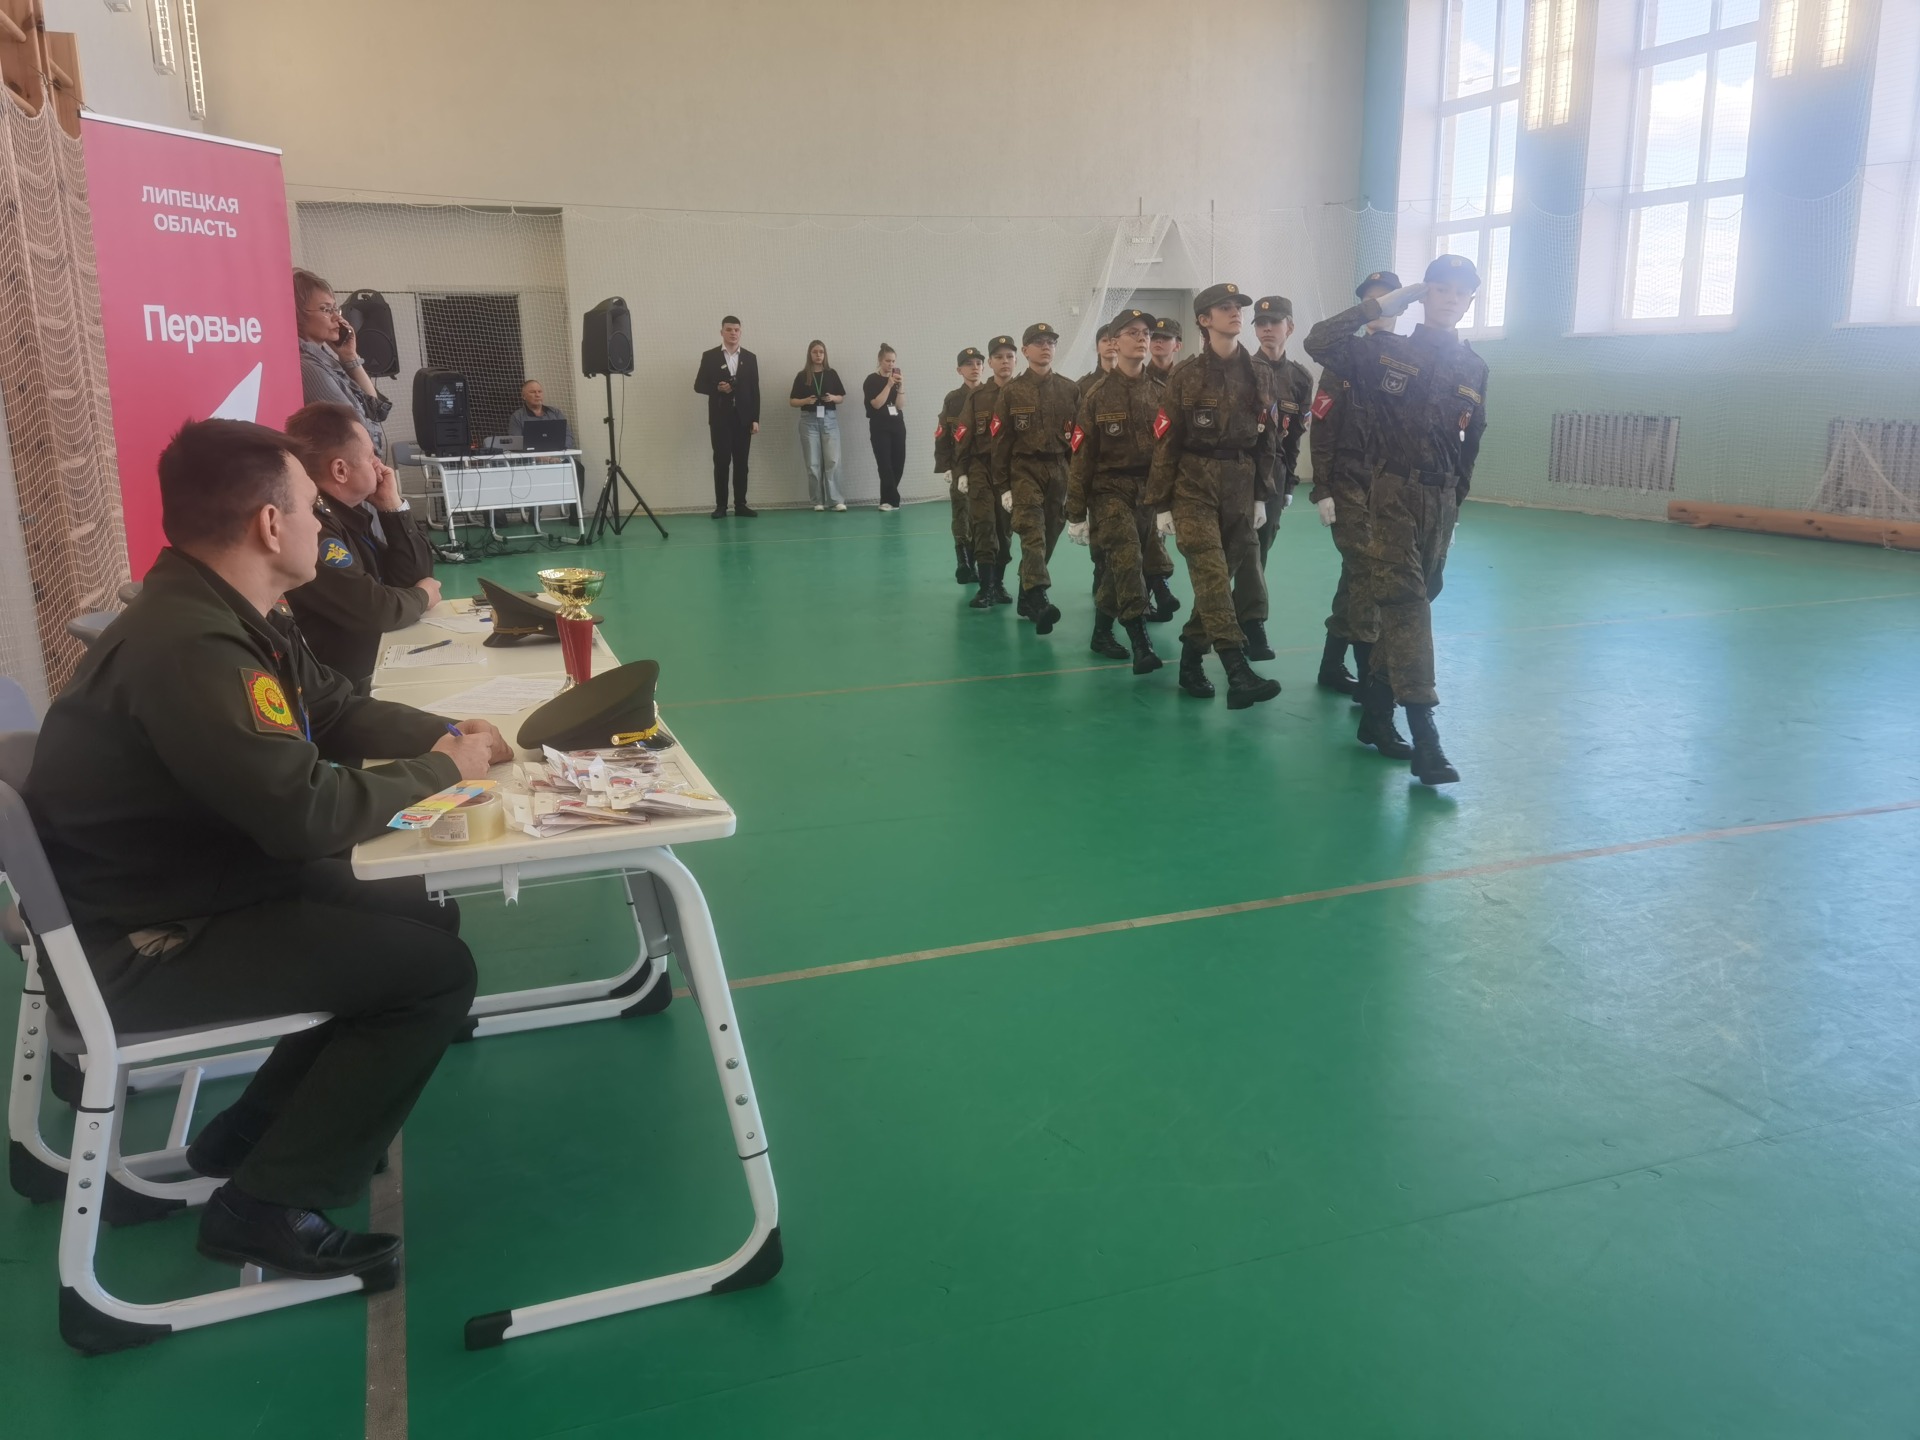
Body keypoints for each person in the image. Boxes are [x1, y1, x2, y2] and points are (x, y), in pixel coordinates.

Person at [23, 418, 510, 1280]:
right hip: (146, 944)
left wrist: (447, 734)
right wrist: (443, 771)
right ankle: (264, 1207)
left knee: (420, 912)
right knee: (433, 975)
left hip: (189, 890)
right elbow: (306, 816)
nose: (323, 526)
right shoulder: (193, 647)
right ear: (270, 524)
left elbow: (333, 708)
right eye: (313, 508)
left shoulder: (222, 609)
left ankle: (244, 1139)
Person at [1304, 256, 1489, 785]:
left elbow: (1471, 441)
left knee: (1415, 601)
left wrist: (1456, 504)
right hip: (1388, 497)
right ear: (1424, 294)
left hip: (1441, 502)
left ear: (1470, 302)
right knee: (1407, 605)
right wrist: (1382, 305)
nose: (1450, 298)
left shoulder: (1474, 367)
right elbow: (1318, 341)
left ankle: (1376, 714)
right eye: (1440, 288)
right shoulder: (1385, 351)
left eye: (1460, 292)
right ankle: (1426, 736)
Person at [1146, 283, 1284, 710]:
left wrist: (1261, 496)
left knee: (1219, 580)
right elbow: (1166, 441)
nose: (1235, 312)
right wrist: (1161, 503)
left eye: (1237, 307)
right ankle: (1237, 670)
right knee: (1210, 572)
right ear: (1204, 320)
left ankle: (1190, 659)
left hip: (1240, 486)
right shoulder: (1185, 374)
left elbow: (1269, 439)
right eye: (1224, 308)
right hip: (1193, 485)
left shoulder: (1260, 372)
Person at [283, 402, 441, 691]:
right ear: (340, 470)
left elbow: (411, 577)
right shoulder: (316, 529)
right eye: (371, 456)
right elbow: (375, 609)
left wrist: (392, 508)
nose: (380, 465)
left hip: (371, 668)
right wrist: (423, 597)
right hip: (341, 688)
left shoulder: (346, 516)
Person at [1308, 270, 1401, 698]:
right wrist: (1322, 488)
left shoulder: (1410, 358)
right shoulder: (1344, 357)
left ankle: (1331, 666)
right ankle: (1369, 677)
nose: (1379, 306)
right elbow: (1322, 430)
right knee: (1368, 569)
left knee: (1355, 577)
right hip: (1347, 482)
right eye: (1372, 300)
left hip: (1390, 486)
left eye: (1387, 299)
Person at [1066, 308, 1163, 676]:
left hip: (1148, 492)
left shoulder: (1161, 393)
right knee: (1127, 556)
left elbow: (1169, 453)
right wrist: (1076, 513)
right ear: (1114, 342)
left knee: (1117, 568)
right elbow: (1082, 457)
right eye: (1132, 332)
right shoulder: (1095, 396)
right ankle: (1141, 642)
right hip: (1108, 490)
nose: (1142, 339)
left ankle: (1101, 633)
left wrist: (1169, 500)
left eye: (1146, 333)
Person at [989, 322, 1079, 634]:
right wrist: (1003, 486)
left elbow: (1078, 442)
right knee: (1032, 532)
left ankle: (1026, 595)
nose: (1045, 347)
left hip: (1059, 470)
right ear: (1025, 351)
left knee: (1050, 534)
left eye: (1050, 342)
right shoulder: (1011, 392)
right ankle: (1039, 598)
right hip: (1024, 469)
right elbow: (1000, 443)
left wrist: (1077, 482)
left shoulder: (1070, 390)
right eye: (1038, 342)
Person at [1248, 294, 1315, 572]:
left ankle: (1250, 602)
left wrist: (1289, 485)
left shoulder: (1300, 378)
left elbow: (1295, 435)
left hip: (1275, 475)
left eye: (1274, 322)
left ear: (1290, 327)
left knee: (1262, 548)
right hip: (1241, 470)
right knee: (1233, 550)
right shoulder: (1242, 371)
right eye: (1260, 322)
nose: (1266, 328)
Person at [294, 270, 391, 459]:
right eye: (325, 309)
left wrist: (349, 357)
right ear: (298, 314)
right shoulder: (306, 365)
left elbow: (376, 411)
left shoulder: (324, 358)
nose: (337, 318)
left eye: (335, 309)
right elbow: (357, 429)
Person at [956, 335, 1019, 609]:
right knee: (983, 524)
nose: (1005, 361)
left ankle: (998, 583)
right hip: (981, 467)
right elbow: (963, 434)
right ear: (990, 363)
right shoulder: (978, 396)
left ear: (1016, 360)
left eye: (1009, 356)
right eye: (999, 357)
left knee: (1005, 529)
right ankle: (985, 587)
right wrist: (961, 471)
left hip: (1012, 471)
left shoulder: (1023, 393)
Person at [1139, 315, 1185, 624]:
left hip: (1181, 470)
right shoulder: (1138, 377)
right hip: (1145, 470)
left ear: (1177, 345)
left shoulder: (1187, 378)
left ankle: (1154, 591)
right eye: (1154, 336)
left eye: (1165, 338)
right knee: (1147, 533)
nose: (1158, 341)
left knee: (1161, 534)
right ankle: (1152, 593)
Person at [693, 315, 761, 518]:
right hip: (720, 419)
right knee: (721, 462)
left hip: (743, 419)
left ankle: (740, 505)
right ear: (721, 332)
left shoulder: (750, 358)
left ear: (740, 332)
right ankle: (721, 506)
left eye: (736, 330)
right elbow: (698, 385)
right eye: (729, 329)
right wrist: (717, 388)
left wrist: (755, 419)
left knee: (742, 463)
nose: (733, 333)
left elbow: (755, 390)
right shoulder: (710, 356)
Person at [935, 347, 986, 584]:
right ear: (959, 370)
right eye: (968, 364)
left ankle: (979, 562)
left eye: (978, 363)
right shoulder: (953, 399)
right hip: (959, 466)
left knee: (984, 516)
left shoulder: (992, 395)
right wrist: (945, 465)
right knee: (961, 513)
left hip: (985, 465)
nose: (974, 367)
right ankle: (963, 561)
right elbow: (943, 433)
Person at [788, 341, 847, 511]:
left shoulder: (831, 374)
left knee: (833, 460)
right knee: (813, 463)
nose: (818, 355)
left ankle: (836, 500)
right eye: (815, 352)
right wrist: (806, 401)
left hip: (829, 419)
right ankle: (817, 501)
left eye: (821, 352)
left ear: (825, 354)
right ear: (810, 354)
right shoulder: (802, 376)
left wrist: (833, 398)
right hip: (809, 421)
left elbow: (841, 397)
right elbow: (792, 401)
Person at [863, 345, 909, 511]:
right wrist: (888, 385)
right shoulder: (871, 380)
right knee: (885, 464)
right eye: (888, 361)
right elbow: (876, 404)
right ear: (880, 361)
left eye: (893, 361)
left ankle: (888, 500)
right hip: (880, 427)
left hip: (897, 425)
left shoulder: (896, 380)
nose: (891, 364)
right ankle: (892, 500)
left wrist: (901, 386)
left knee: (898, 463)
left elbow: (900, 406)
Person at [507, 380, 578, 448]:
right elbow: (516, 443)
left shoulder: (556, 413)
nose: (537, 395)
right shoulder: (517, 417)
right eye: (532, 392)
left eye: (539, 391)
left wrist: (560, 450)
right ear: (523, 396)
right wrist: (538, 454)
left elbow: (568, 436)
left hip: (558, 454)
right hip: (531, 456)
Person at [1077, 323, 1117, 391]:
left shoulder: (1132, 383)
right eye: (1104, 340)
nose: (1109, 343)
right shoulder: (1082, 386)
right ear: (1097, 348)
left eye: (1113, 340)